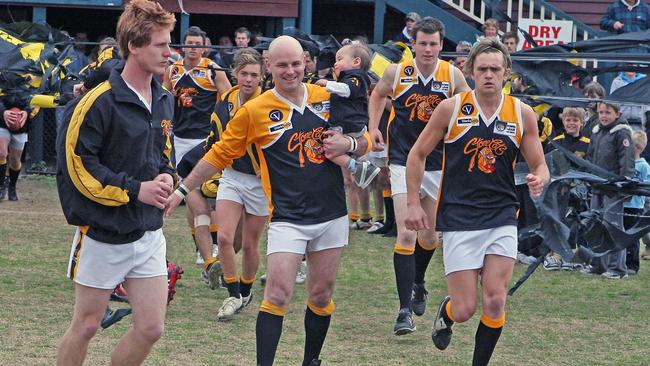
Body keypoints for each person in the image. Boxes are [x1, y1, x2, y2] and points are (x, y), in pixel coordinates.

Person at [164, 35, 370, 366]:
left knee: (321, 294)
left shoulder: (325, 97)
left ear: (306, 61)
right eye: (282, 65)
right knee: (276, 295)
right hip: (288, 217)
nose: (290, 71)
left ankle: (311, 360)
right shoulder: (255, 111)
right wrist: (182, 190)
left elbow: (366, 140)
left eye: (295, 64)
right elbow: (219, 153)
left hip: (332, 214)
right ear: (268, 66)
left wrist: (348, 143)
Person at [405, 37, 549, 365]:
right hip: (458, 216)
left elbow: (540, 164)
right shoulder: (451, 108)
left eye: (494, 69)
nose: (488, 74)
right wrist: (413, 203)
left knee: (496, 301)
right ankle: (448, 312)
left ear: (506, 73)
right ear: (470, 71)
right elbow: (417, 154)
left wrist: (540, 178)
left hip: (502, 215)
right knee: (467, 308)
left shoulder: (522, 114)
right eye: (482, 68)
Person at [55, 1, 176, 365]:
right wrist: (136, 189)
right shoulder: (98, 101)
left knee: (151, 328)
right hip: (102, 233)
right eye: (161, 45)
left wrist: (168, 176)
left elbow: (162, 153)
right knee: (87, 324)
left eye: (169, 43)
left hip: (148, 233)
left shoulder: (164, 99)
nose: (170, 53)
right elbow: (77, 166)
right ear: (134, 46)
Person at [368, 17, 470, 335]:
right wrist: (373, 127)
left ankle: (419, 282)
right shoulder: (397, 72)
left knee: (429, 237)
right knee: (406, 234)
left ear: (442, 45)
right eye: (422, 43)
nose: (427, 48)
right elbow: (377, 94)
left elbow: (470, 106)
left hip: (439, 164)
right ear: (413, 44)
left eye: (433, 43)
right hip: (401, 161)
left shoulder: (452, 75)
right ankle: (403, 313)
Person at [208, 48, 267, 320]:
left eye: (254, 75)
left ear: (262, 78)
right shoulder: (227, 99)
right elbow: (217, 137)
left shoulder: (268, 102)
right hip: (232, 176)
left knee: (251, 243)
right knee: (223, 237)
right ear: (235, 74)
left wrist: (268, 168)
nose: (248, 79)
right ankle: (232, 295)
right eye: (243, 74)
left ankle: (246, 289)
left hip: (258, 183)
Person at [164, 25, 231, 264]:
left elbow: (228, 100)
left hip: (205, 139)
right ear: (183, 46)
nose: (193, 48)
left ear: (204, 47)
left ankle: (212, 244)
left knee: (207, 193)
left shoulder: (212, 69)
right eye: (189, 44)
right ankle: (199, 246)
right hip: (180, 138)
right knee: (189, 194)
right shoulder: (173, 69)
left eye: (197, 44)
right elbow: (165, 97)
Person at [581, 101, 634, 279]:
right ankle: (597, 264)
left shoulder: (621, 133)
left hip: (613, 188)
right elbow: (589, 157)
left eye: (608, 113)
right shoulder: (596, 131)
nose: (603, 116)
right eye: (601, 112)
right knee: (595, 225)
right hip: (597, 185)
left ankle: (617, 269)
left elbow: (626, 161)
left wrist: (623, 185)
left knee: (613, 227)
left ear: (617, 114)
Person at [315, 43, 380, 188]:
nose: (335, 63)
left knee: (328, 148)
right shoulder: (346, 78)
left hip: (350, 124)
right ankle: (358, 167)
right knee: (330, 151)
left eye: (339, 59)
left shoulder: (357, 77)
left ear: (356, 62)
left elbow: (347, 90)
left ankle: (360, 167)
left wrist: (327, 84)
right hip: (346, 125)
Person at [543, 107, 590, 270]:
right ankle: (555, 255)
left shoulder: (587, 143)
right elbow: (548, 164)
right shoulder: (555, 141)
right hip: (557, 190)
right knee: (557, 221)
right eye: (568, 120)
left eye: (575, 120)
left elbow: (589, 167)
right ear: (563, 121)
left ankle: (575, 256)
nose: (571, 123)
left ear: (581, 123)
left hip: (579, 190)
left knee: (577, 223)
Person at [624, 131, 650, 275]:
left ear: (638, 148)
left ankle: (632, 266)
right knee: (621, 235)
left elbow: (646, 186)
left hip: (636, 207)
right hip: (622, 206)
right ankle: (622, 262)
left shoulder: (644, 166)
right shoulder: (624, 164)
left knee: (633, 238)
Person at [0, 102, 30, 201]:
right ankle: (1, 186)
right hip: (1, 121)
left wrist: (27, 112)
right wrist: (3, 111)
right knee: (1, 153)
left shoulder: (30, 86)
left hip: (20, 124)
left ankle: (12, 186)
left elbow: (35, 98)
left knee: (15, 161)